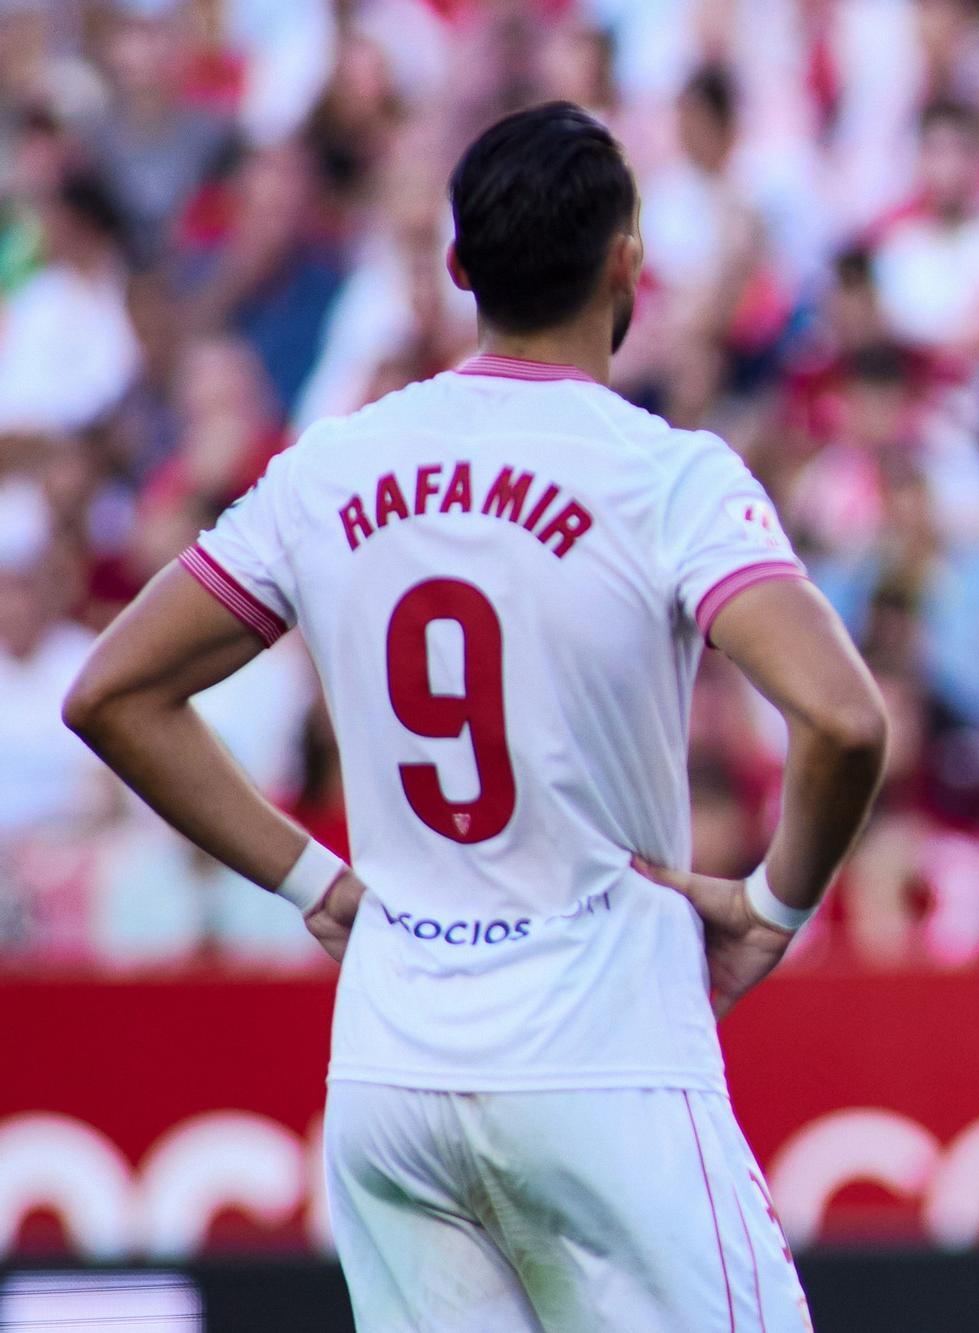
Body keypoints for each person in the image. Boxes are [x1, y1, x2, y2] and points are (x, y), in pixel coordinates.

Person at [63, 101, 887, 1331]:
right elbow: (843, 719)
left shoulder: (329, 467)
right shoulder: (665, 473)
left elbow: (113, 693)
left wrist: (315, 884)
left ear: (457, 267)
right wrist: (773, 907)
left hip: (392, 1067)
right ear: (628, 263)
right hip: (603, 1057)